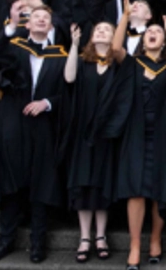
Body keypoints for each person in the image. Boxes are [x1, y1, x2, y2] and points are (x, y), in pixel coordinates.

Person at [0, 3, 70, 265]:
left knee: (40, 179)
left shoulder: (60, 56)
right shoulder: (14, 46)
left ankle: (37, 243)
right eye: (36, 17)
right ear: (28, 25)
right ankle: (5, 241)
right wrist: (10, 24)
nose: (41, 20)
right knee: (10, 177)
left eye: (46, 18)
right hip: (12, 119)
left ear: (51, 26)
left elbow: (68, 93)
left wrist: (47, 103)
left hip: (43, 124)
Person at [107, 5, 166, 269]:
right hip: (136, 132)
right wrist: (125, 17)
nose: (153, 33)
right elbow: (115, 49)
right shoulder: (132, 63)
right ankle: (135, 245)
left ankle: (156, 238)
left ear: (162, 41)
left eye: (157, 32)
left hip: (162, 132)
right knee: (136, 190)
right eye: (149, 31)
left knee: (159, 188)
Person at [62, 21, 121, 263]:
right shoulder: (84, 62)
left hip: (107, 133)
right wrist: (74, 45)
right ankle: (85, 236)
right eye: (97, 29)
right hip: (83, 131)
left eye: (107, 29)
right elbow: (68, 78)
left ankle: (101, 236)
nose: (101, 32)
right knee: (83, 182)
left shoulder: (118, 64)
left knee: (101, 183)